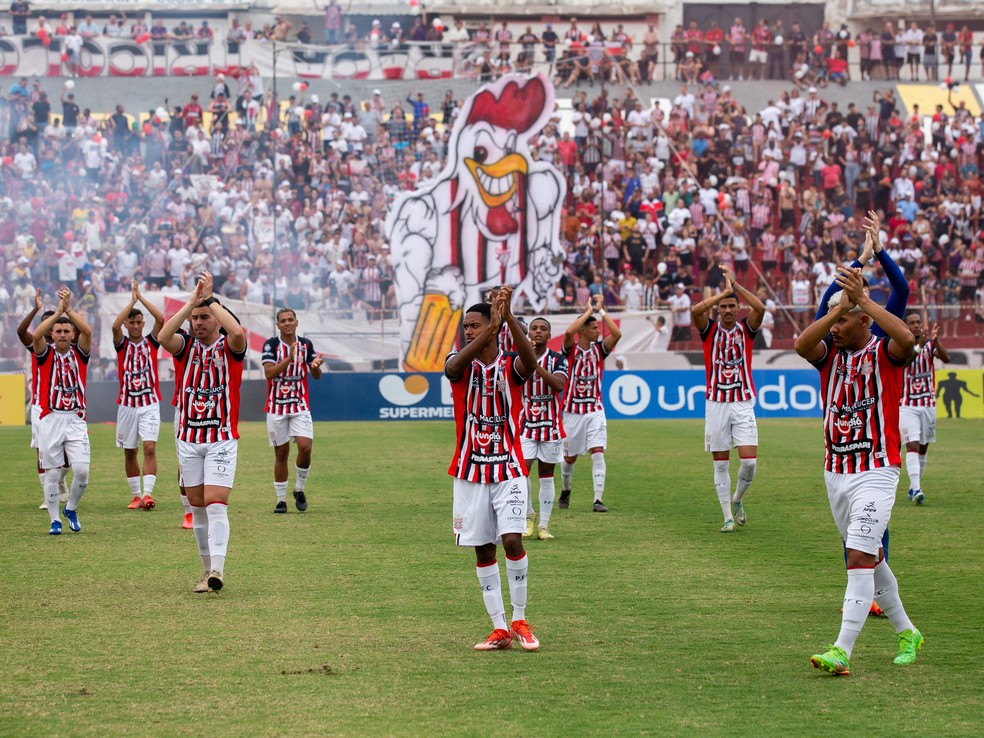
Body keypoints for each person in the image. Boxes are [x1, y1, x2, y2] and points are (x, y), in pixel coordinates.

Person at [794, 264, 922, 676]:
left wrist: (863, 300)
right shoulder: (828, 356)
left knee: (858, 555)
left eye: (844, 321)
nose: (834, 329)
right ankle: (908, 632)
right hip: (836, 470)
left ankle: (841, 649)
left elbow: (906, 338)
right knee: (874, 557)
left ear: (865, 320)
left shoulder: (884, 353)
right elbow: (801, 344)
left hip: (877, 469)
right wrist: (836, 310)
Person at [444, 287, 540, 651]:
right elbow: (453, 367)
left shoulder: (510, 364)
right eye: (466, 326)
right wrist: (490, 327)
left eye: (475, 325)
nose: (468, 331)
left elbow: (530, 365)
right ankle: (499, 628)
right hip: (469, 472)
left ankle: (520, 619)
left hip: (509, 468)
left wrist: (508, 319)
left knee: (513, 539)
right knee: (483, 549)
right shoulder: (459, 362)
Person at [158, 272, 246, 594]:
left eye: (205, 317)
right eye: (195, 318)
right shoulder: (185, 348)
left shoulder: (231, 347)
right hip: (189, 439)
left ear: (217, 319)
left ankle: (219, 570)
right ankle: (206, 571)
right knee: (196, 506)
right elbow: (164, 336)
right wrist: (191, 304)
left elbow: (236, 330)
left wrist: (210, 299)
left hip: (221, 438)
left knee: (215, 503)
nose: (198, 322)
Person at [691, 266, 765, 532]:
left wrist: (736, 286)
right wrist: (722, 293)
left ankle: (738, 499)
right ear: (717, 309)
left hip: (743, 402)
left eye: (732, 306)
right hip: (716, 405)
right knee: (720, 462)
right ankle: (726, 517)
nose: (727, 311)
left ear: (738, 308)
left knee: (749, 462)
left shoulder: (747, 330)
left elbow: (760, 308)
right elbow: (695, 312)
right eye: (723, 307)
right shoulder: (709, 330)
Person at [32, 289, 93, 536]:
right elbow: (36, 335)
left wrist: (68, 310)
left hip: (76, 418)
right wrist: (58, 311)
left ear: (73, 334)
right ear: (52, 334)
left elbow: (87, 331)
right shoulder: (45, 354)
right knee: (53, 472)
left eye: (67, 331)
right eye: (58, 331)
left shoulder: (81, 353)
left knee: (82, 471)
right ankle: (55, 520)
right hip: (51, 418)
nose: (63, 335)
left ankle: (71, 508)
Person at [559, 294, 622, 513]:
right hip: (572, 412)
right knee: (569, 458)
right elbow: (568, 333)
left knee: (598, 452)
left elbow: (617, 334)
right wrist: (588, 312)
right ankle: (566, 489)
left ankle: (597, 500)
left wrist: (601, 311)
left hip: (595, 410)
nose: (598, 331)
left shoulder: (599, 350)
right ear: (583, 330)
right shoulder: (570, 351)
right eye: (594, 328)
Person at [262, 307, 325, 514]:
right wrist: (289, 358)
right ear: (278, 325)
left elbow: (316, 375)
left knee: (305, 448)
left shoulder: (306, 345)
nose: (287, 323)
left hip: (299, 406)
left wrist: (315, 366)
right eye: (283, 320)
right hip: (276, 407)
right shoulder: (271, 345)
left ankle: (299, 489)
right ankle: (281, 500)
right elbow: (269, 373)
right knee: (281, 453)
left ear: (296, 322)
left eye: (290, 319)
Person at [111, 281, 165, 511]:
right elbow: (114, 327)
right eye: (131, 322)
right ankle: (135, 495)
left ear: (143, 324)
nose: (135, 326)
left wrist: (141, 299)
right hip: (126, 405)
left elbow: (161, 320)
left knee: (150, 448)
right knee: (130, 450)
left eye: (139, 322)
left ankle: (148, 493)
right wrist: (131, 302)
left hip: (150, 403)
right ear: (126, 324)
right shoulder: (121, 344)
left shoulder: (151, 342)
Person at [17, 290, 70, 509]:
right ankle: (49, 496)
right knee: (42, 452)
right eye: (46, 323)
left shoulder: (67, 345)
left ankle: (59, 481)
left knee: (67, 453)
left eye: (54, 322)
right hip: (41, 406)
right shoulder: (38, 346)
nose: (50, 327)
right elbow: (21, 331)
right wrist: (35, 309)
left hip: (64, 406)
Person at [519, 317, 568, 541]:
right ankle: (529, 516)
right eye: (534, 328)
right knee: (521, 473)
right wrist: (526, 357)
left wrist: (535, 363)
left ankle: (544, 526)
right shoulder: (517, 359)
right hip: (525, 425)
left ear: (549, 335)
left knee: (546, 476)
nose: (538, 332)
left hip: (550, 427)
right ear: (528, 333)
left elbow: (558, 385)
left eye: (543, 329)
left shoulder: (558, 360)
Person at [899, 295, 950, 506]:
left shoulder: (929, 346)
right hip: (907, 405)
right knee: (911, 444)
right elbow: (906, 362)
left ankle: (913, 486)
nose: (917, 326)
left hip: (928, 404)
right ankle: (917, 487)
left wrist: (936, 341)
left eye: (919, 322)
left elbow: (946, 359)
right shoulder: (900, 346)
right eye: (912, 323)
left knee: (923, 447)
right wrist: (919, 345)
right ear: (905, 326)